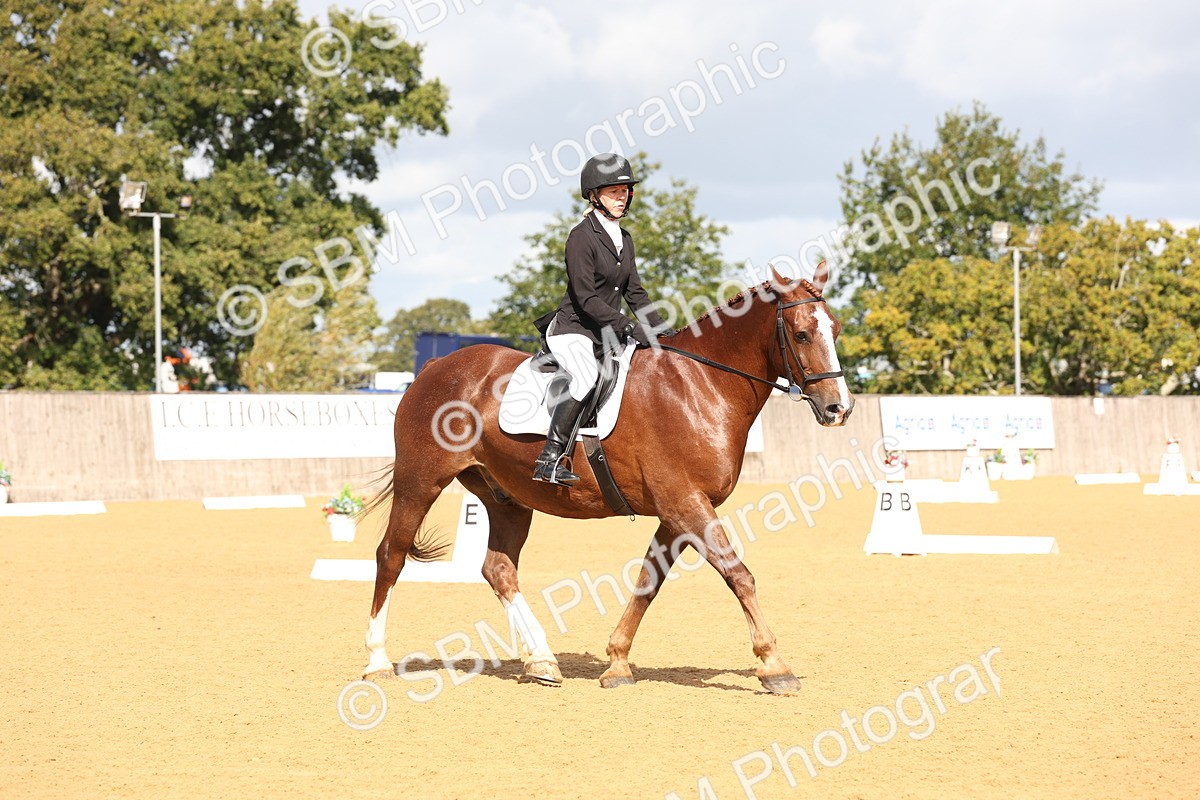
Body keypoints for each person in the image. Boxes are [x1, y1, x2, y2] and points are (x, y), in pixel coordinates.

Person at [531, 153, 668, 486]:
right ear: (594, 196)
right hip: (574, 330)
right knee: (585, 375)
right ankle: (549, 459)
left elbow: (635, 292)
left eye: (624, 192)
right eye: (613, 192)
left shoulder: (625, 238)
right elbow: (586, 297)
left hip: (607, 333)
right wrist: (629, 327)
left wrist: (662, 330)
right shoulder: (581, 236)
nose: (621, 198)